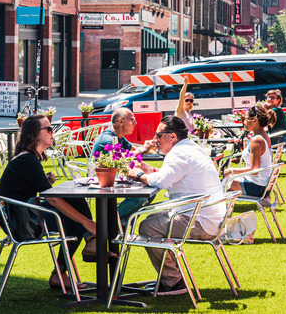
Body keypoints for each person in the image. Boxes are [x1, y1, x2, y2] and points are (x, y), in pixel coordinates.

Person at [126, 116, 226, 295]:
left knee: (147, 227)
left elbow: (164, 181)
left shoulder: (178, 153)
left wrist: (140, 175)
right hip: (209, 216)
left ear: (172, 137)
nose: (155, 139)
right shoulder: (190, 148)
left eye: (158, 135)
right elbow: (174, 174)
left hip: (201, 220)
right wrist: (152, 171)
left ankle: (173, 282)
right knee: (152, 220)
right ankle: (171, 277)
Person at [0, 115, 96, 290]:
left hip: (20, 215)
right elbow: (51, 199)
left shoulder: (27, 158)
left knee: (74, 200)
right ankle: (89, 242)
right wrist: (86, 222)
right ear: (35, 134)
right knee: (75, 219)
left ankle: (90, 242)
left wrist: (45, 183)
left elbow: (27, 191)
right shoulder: (27, 160)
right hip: (21, 223)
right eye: (49, 129)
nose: (53, 133)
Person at [91, 108, 155, 219]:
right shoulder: (107, 139)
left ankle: (122, 226)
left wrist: (155, 148)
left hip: (117, 179)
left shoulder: (119, 138)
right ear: (121, 121)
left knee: (150, 192)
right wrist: (143, 150)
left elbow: (133, 149)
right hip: (101, 182)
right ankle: (109, 221)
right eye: (132, 120)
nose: (135, 123)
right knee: (140, 197)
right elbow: (121, 157)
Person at [223, 105, 276, 197]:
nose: (244, 122)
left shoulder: (257, 140)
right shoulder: (263, 136)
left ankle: (222, 210)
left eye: (246, 119)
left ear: (255, 120)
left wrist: (232, 171)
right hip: (261, 184)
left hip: (256, 186)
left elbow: (255, 170)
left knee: (220, 186)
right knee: (224, 182)